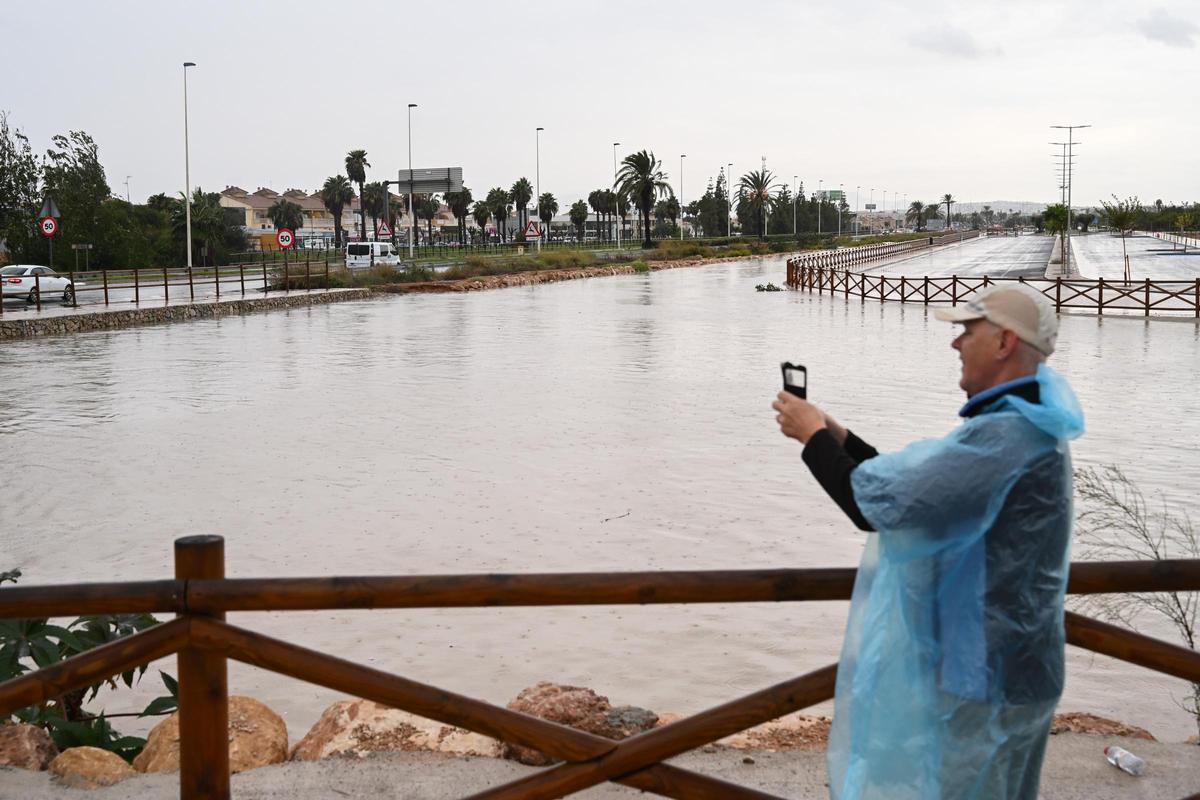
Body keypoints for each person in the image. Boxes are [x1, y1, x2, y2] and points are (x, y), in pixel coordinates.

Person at [772, 284, 1084, 800]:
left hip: (985, 676)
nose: (956, 343)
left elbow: (872, 505)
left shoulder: (1004, 437)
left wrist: (812, 438)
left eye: (967, 331)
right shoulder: (1028, 425)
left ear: (1004, 342)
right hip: (1015, 667)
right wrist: (837, 437)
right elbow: (920, 488)